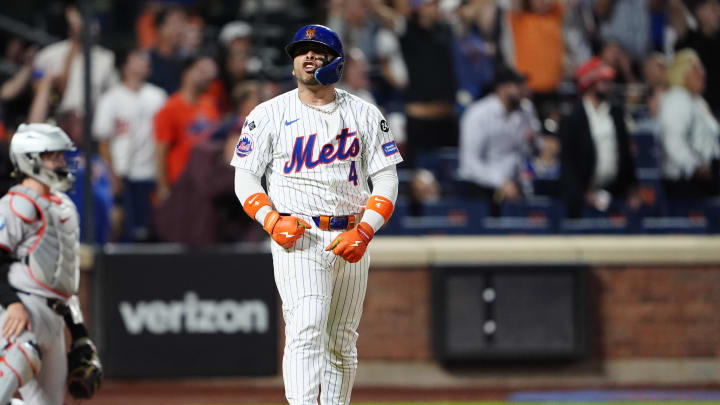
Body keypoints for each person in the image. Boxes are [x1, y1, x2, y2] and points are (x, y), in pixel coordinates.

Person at [232, 25, 402, 405]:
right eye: (301, 50)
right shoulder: (269, 113)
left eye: (318, 50)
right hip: (300, 234)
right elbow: (245, 178)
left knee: (342, 339)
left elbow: (387, 179)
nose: (307, 56)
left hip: (351, 236)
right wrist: (271, 220)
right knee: (307, 326)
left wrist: (366, 231)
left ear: (336, 62)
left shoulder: (364, 113)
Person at [0, 123, 102, 404]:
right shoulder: (16, 203)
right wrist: (12, 302)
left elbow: (65, 283)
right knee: (21, 358)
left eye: (61, 156)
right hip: (19, 312)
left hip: (55, 319)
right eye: (53, 156)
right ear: (29, 159)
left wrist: (79, 334)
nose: (61, 162)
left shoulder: (64, 205)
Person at [93, 47, 167, 242]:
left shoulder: (158, 96)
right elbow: (103, 141)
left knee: (149, 232)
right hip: (122, 173)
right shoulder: (110, 99)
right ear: (124, 66)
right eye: (138, 58)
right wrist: (112, 175)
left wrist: (162, 178)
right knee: (125, 232)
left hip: (150, 173)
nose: (145, 62)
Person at [559, 57, 639, 218]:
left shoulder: (616, 113)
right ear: (589, 82)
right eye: (603, 81)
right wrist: (582, 193)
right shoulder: (573, 118)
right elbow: (569, 164)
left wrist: (632, 189)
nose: (608, 85)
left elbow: (625, 154)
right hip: (582, 197)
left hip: (615, 192)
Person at [458, 65, 539, 216]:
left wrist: (537, 143)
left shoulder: (526, 111)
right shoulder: (478, 114)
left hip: (518, 185)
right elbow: (469, 163)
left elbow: (528, 152)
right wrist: (501, 182)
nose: (524, 90)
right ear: (502, 88)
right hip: (483, 187)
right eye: (517, 85)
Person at [153, 55, 220, 205]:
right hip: (180, 183)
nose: (206, 77)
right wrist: (163, 188)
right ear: (187, 73)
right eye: (201, 71)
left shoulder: (209, 103)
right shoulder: (170, 108)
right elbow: (160, 153)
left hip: (206, 181)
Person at [657, 49, 720, 201]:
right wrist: (694, 166)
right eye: (696, 69)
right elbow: (672, 140)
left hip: (708, 172)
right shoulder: (677, 98)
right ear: (682, 72)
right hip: (687, 180)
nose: (702, 74)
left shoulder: (697, 101)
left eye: (701, 69)